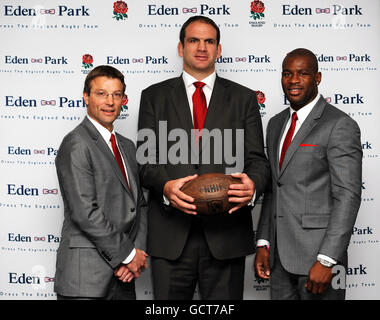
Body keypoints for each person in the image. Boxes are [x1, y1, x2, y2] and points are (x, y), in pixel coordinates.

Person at [137, 16, 269, 299]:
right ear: (180, 47)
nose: (201, 47)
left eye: (209, 41)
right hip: (170, 236)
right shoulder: (153, 97)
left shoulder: (244, 98)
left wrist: (253, 186)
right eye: (193, 40)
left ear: (219, 50)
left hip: (226, 238)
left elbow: (257, 160)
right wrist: (166, 187)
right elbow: (146, 164)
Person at [254, 48, 362, 300]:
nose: (293, 80)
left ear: (318, 78)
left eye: (303, 73)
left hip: (319, 261)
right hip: (279, 261)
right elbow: (274, 188)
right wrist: (264, 242)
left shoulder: (339, 124)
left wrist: (327, 260)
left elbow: (348, 196)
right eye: (287, 73)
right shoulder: (276, 123)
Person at [54, 65, 148, 300]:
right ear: (86, 96)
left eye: (116, 95)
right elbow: (85, 212)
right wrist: (127, 255)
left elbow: (140, 206)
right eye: (101, 93)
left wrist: (137, 253)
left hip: (125, 276)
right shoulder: (76, 143)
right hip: (87, 279)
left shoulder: (126, 146)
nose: (110, 101)